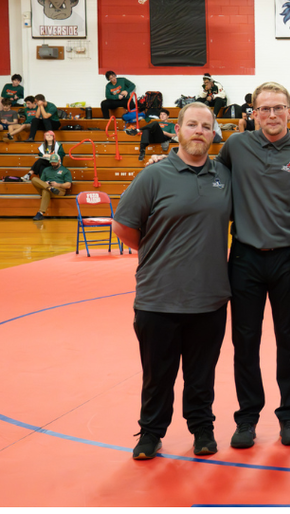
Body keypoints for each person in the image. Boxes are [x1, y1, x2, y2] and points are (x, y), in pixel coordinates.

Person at [113, 103, 233, 460]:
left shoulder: (225, 175)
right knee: (157, 374)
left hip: (209, 296)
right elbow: (123, 226)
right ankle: (151, 432)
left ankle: (202, 429)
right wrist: (157, 252)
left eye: (206, 126)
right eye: (192, 124)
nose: (199, 131)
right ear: (177, 130)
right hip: (158, 296)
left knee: (202, 374)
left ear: (213, 134)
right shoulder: (153, 175)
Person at [214, 81, 290, 450]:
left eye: (278, 108)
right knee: (245, 341)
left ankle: (289, 414)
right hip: (245, 257)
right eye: (265, 109)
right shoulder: (236, 146)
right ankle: (247, 417)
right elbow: (211, 178)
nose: (272, 115)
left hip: (288, 258)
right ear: (254, 113)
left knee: (289, 339)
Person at [30, 152, 72, 221]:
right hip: (48, 187)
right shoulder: (46, 169)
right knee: (34, 179)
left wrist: (58, 184)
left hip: (59, 189)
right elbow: (41, 183)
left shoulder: (65, 171)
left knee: (45, 190)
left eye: (55, 162)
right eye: (52, 162)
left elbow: (68, 185)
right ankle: (50, 188)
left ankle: (40, 213)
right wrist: (46, 183)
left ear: (59, 161)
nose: (53, 163)